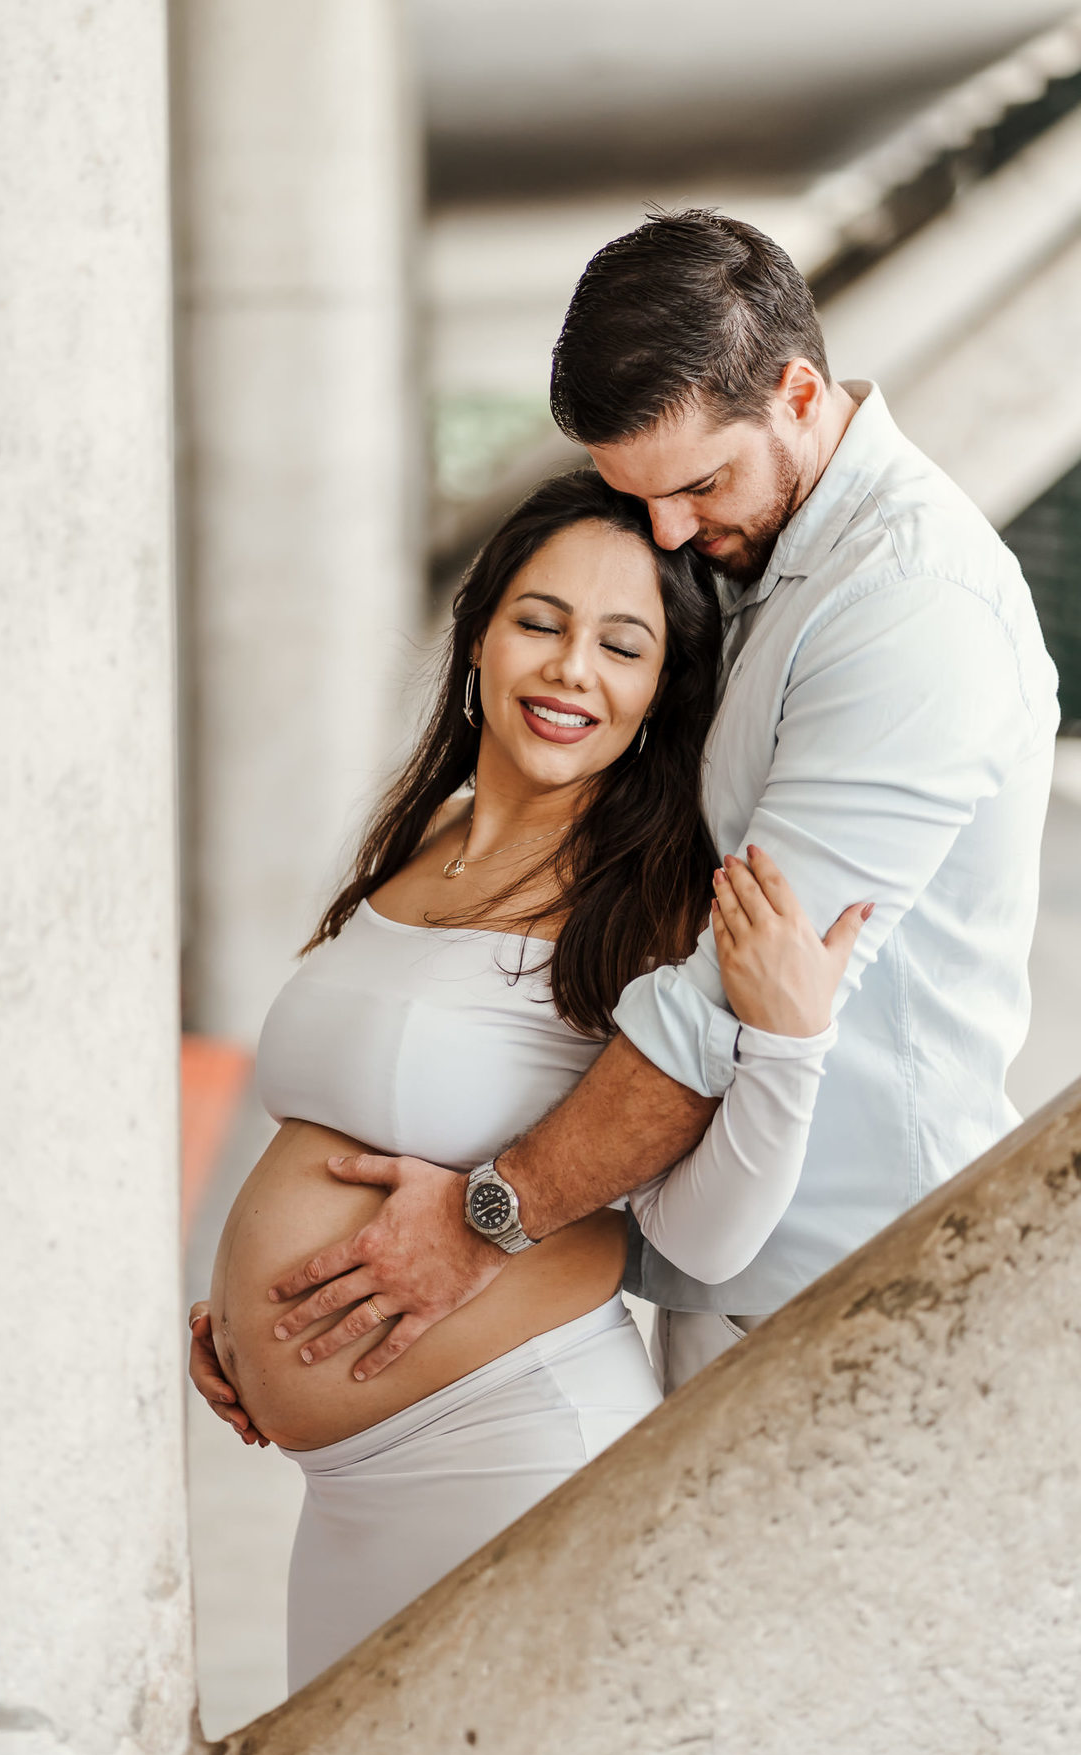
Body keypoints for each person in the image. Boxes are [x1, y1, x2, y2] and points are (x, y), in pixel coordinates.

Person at [263, 207, 1060, 1398]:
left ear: (799, 393)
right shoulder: (752, 549)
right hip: (719, 1289)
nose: (672, 531)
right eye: (638, 497)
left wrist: (485, 1218)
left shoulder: (911, 607)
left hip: (860, 1305)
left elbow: (717, 1013)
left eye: (697, 485)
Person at [189, 470, 866, 1688]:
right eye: (542, 624)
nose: (571, 673)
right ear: (481, 635)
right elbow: (335, 1111)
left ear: (662, 693)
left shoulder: (649, 898)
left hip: (503, 1455)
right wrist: (248, 1318)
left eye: (623, 646)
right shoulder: (429, 834)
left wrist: (789, 1046)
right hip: (347, 1492)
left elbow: (707, 1235)